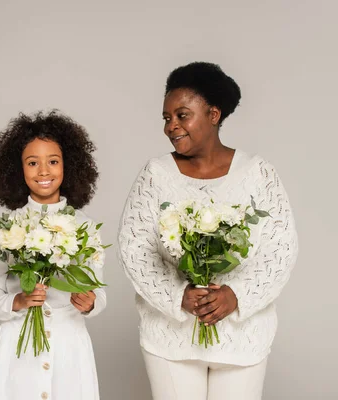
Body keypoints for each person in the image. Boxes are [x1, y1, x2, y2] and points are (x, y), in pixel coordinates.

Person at [118, 62, 298, 400]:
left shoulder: (258, 174)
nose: (171, 126)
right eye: (166, 118)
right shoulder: (155, 175)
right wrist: (178, 296)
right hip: (170, 336)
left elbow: (280, 249)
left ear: (213, 114)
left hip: (242, 336)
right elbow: (135, 249)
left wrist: (236, 296)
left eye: (182, 115)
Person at [0, 111, 106, 400]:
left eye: (53, 161)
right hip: (18, 346)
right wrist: (19, 300)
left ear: (69, 166)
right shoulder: (8, 228)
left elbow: (99, 294)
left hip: (69, 347)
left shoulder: (85, 226)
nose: (43, 171)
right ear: (17, 169)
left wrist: (90, 303)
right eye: (32, 163)